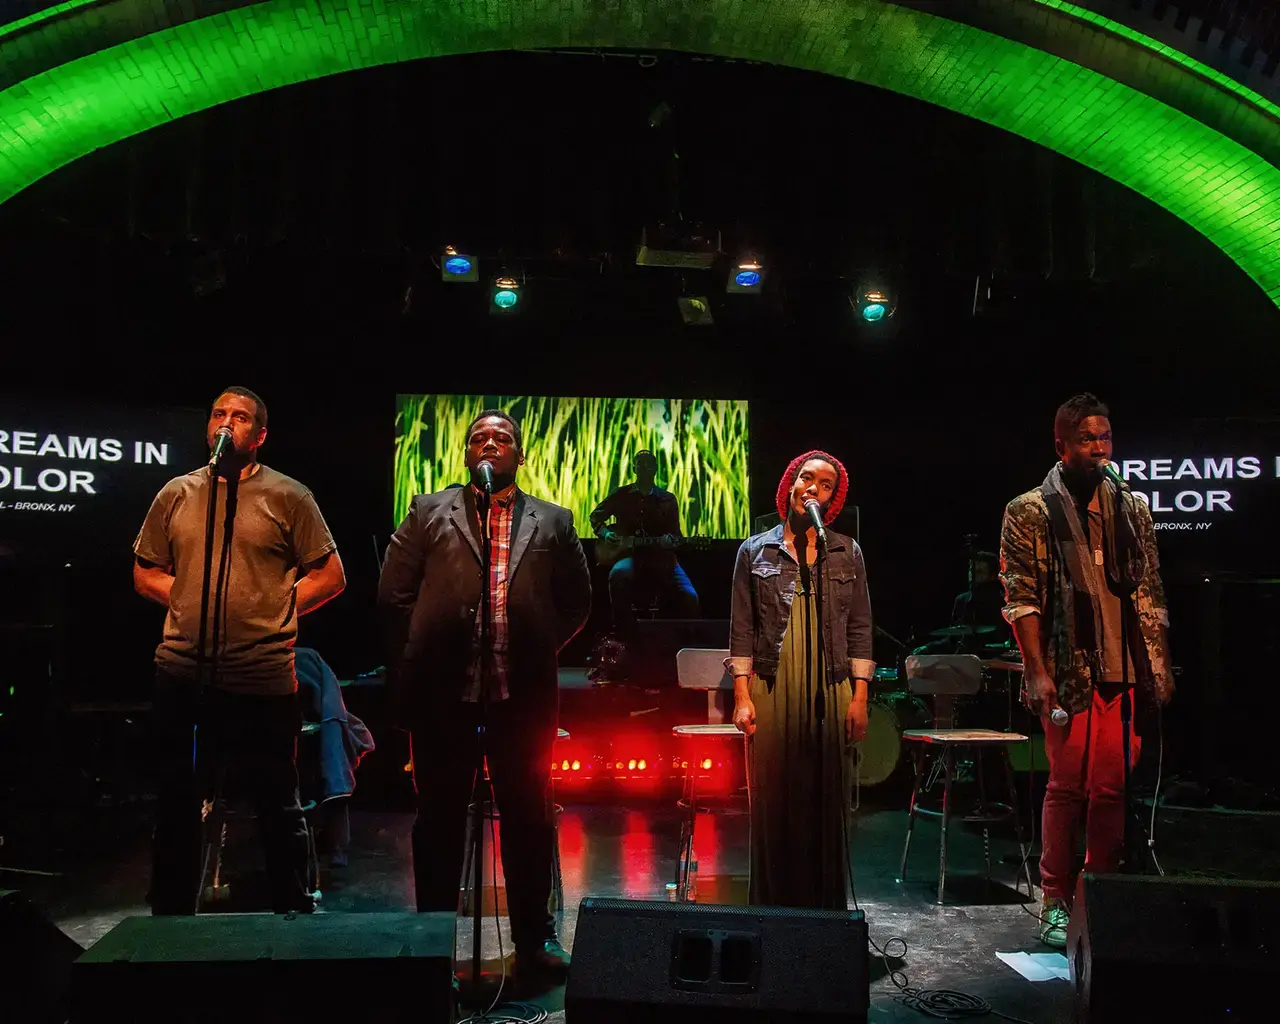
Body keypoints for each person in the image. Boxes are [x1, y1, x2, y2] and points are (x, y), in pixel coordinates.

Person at [378, 409, 591, 980]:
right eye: (479, 438)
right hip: (444, 698)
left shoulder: (553, 520)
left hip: (519, 699)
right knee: (438, 821)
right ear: (466, 452)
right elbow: (394, 598)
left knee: (528, 819)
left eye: (502, 438)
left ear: (520, 455)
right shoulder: (428, 511)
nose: (490, 445)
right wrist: (422, 660)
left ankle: (533, 942)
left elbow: (577, 602)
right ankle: (432, 943)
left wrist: (536, 643)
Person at [133, 386, 346, 915]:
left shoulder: (288, 496)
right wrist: (184, 598)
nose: (227, 422)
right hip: (183, 673)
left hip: (262, 678)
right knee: (177, 803)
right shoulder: (178, 492)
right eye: (219, 413)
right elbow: (145, 569)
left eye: (241, 416)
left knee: (277, 804)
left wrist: (278, 605)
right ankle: (169, 923)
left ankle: (291, 913)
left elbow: (332, 574)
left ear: (260, 435)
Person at [1000, 393, 1173, 947]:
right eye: (1087, 440)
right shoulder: (1029, 509)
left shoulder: (1131, 507)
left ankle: (1097, 894)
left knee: (1113, 788)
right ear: (1062, 446)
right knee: (1067, 786)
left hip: (1126, 666)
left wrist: (1161, 663)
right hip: (1068, 667)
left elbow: (1149, 587)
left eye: (1105, 438)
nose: (1099, 449)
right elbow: (1021, 597)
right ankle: (1053, 897)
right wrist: (1035, 671)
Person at [727, 450, 875, 909]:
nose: (814, 488)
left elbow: (860, 628)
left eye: (826, 484)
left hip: (831, 683)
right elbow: (743, 629)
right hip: (771, 682)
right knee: (773, 801)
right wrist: (742, 697)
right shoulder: (755, 551)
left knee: (826, 802)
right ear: (789, 486)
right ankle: (772, 912)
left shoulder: (845, 551)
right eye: (806, 479)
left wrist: (859, 698)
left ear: (833, 499)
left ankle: (825, 913)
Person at [589, 449, 699, 638]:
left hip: (661, 558)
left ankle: (681, 643)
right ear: (634, 468)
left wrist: (669, 542)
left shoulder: (667, 499)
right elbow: (595, 517)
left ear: (655, 469)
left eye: (648, 464)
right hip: (629, 556)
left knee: (689, 596)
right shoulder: (621, 494)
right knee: (618, 575)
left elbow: (675, 535)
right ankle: (624, 635)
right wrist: (606, 534)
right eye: (640, 464)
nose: (644, 468)